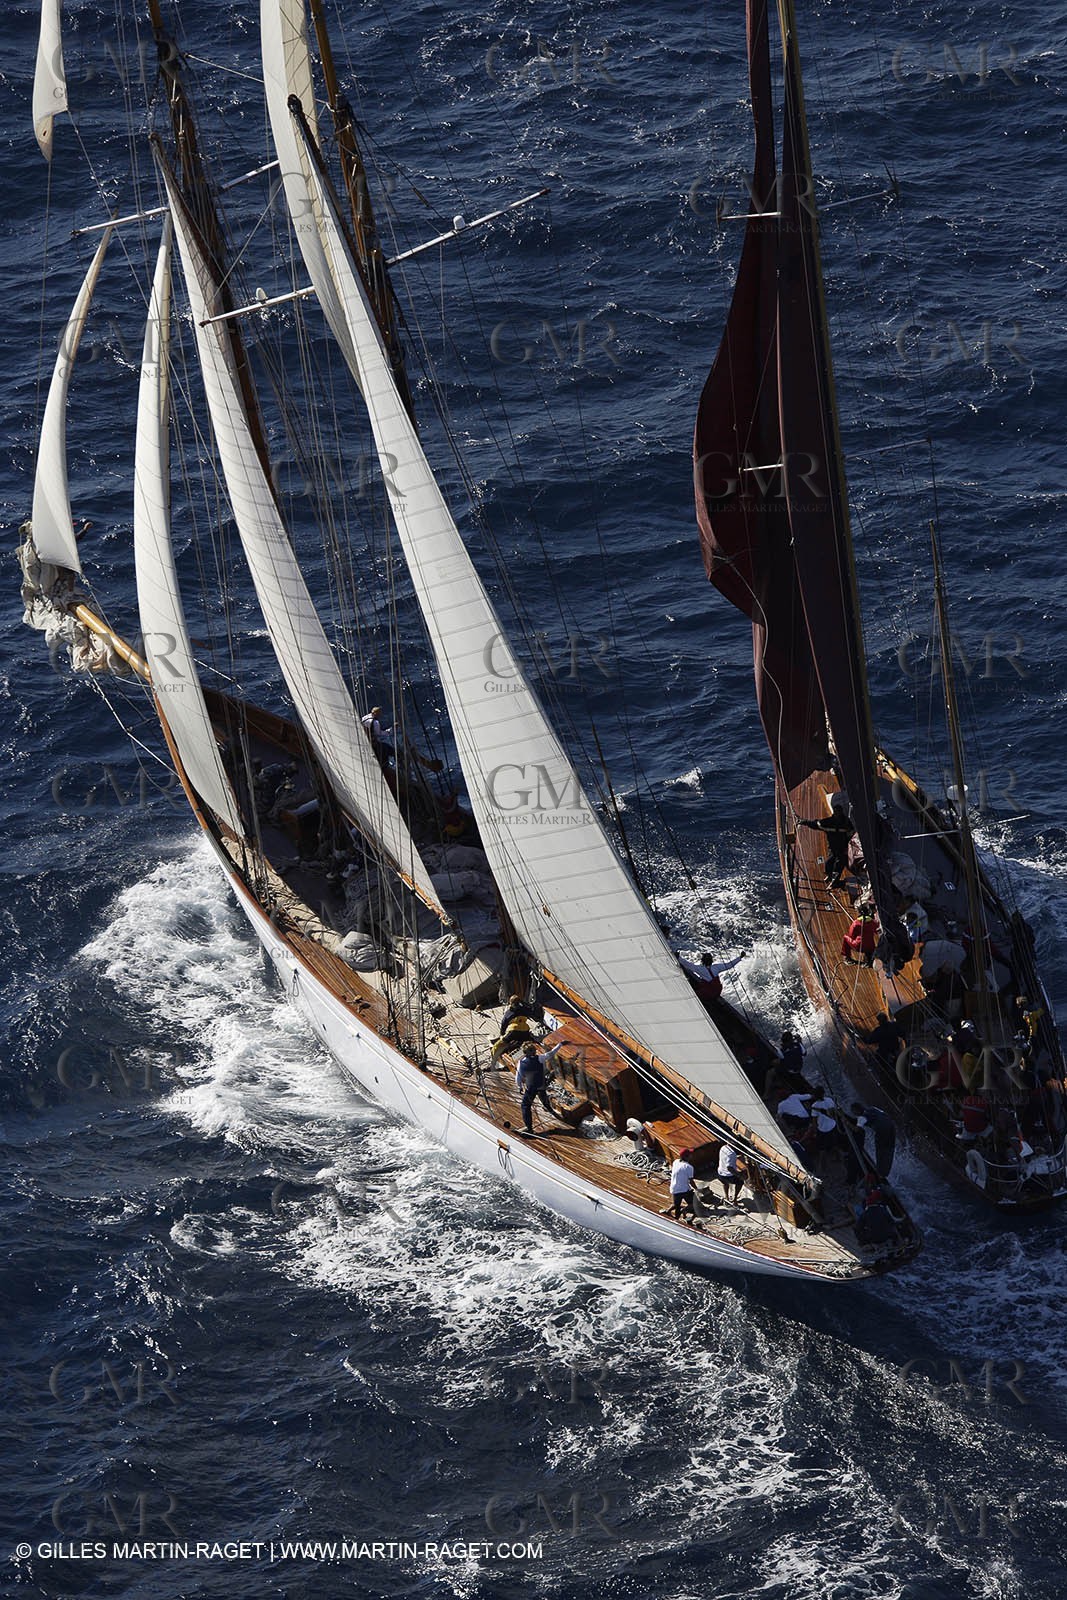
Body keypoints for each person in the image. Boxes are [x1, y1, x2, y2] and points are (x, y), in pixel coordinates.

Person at [799, 796, 854, 888]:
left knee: (839, 865)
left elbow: (851, 833)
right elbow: (816, 824)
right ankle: (829, 876)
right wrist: (804, 822)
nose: (837, 814)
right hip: (832, 846)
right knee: (829, 862)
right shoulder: (829, 822)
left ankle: (835, 882)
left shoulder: (846, 822)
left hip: (842, 847)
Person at [515, 1040, 563, 1135]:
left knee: (525, 1106)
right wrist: (560, 1044)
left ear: (524, 1053)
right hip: (541, 1084)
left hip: (531, 1088)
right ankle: (549, 1109)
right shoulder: (540, 1058)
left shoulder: (521, 1063)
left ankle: (529, 1128)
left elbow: (518, 1076)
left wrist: (519, 1087)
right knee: (543, 1096)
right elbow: (551, 1053)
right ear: (535, 1051)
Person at [852, 1102, 896, 1177]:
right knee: (889, 1148)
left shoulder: (862, 1118)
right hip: (891, 1126)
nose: (853, 1113)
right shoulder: (872, 1108)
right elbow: (884, 1113)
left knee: (880, 1149)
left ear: (857, 1111)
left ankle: (881, 1173)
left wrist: (845, 1121)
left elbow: (856, 1130)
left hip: (882, 1131)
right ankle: (885, 1171)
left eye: (853, 1111)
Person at [669, 1148, 698, 1220]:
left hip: (674, 1188)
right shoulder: (689, 1167)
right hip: (684, 1190)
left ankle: (671, 1214)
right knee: (693, 1203)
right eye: (690, 1155)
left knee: (677, 1205)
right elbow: (691, 1181)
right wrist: (697, 1189)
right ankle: (684, 1210)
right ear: (687, 1157)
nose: (691, 1155)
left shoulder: (675, 1162)